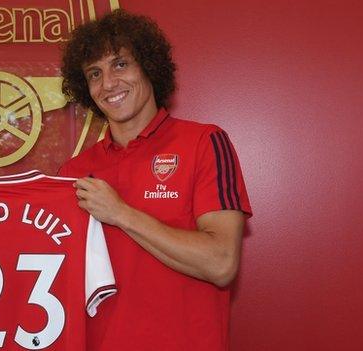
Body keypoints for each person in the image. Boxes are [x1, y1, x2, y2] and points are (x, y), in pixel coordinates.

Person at [57, 9, 252, 351]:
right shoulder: (74, 171)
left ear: (148, 66)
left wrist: (120, 213)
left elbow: (221, 263)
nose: (108, 84)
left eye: (120, 64)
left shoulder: (204, 142)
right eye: (94, 73)